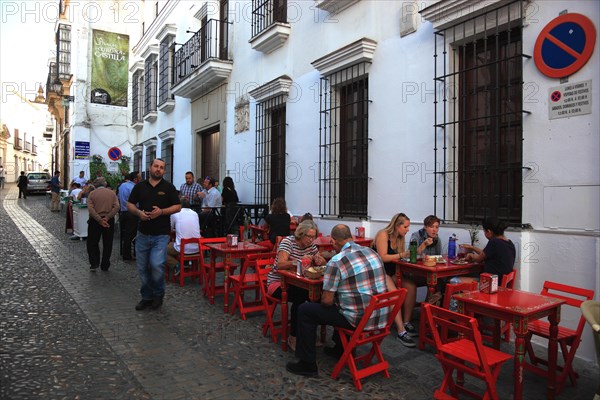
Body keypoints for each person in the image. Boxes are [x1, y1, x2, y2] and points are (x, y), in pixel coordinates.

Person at [286, 224, 388, 377]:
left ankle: (307, 363)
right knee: (344, 301)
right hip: (379, 316)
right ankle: (340, 349)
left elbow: (327, 301)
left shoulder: (337, 261)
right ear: (350, 237)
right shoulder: (372, 252)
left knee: (306, 310)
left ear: (333, 242)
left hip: (358, 319)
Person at [127, 158, 181, 311]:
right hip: (143, 233)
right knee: (143, 268)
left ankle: (158, 294)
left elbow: (177, 206)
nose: (159, 169)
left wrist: (162, 212)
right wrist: (138, 213)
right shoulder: (140, 187)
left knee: (156, 265)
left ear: (164, 170)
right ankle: (147, 297)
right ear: (150, 168)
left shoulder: (169, 187)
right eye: (156, 166)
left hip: (161, 235)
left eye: (162, 167)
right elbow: (129, 204)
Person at [266, 220, 327, 351]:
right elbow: (280, 264)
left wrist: (321, 261)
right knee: (301, 299)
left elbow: (319, 261)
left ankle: (308, 333)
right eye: (309, 236)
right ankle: (293, 336)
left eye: (313, 237)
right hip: (277, 283)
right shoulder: (288, 242)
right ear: (300, 234)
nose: (311, 240)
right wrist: (298, 261)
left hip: (299, 282)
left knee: (315, 297)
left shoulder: (310, 246)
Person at [373, 213, 417, 347]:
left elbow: (398, 258)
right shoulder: (383, 234)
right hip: (378, 272)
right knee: (394, 292)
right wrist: (403, 254)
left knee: (411, 286)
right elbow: (383, 257)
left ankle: (406, 321)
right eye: (405, 227)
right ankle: (401, 331)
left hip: (392, 272)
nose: (407, 229)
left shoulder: (399, 238)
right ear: (397, 226)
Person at [454, 217, 516, 284]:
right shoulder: (509, 243)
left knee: (453, 280)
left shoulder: (494, 242)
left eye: (484, 231)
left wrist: (471, 255)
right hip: (500, 282)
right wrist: (471, 247)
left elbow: (478, 259)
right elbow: (485, 253)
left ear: (489, 232)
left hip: (490, 284)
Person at [86, 180, 120, 271]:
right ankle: (105, 264)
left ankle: (94, 263)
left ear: (96, 185)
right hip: (109, 220)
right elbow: (117, 206)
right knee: (108, 243)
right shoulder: (112, 194)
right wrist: (108, 217)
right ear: (105, 184)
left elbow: (90, 208)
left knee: (92, 242)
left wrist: (99, 219)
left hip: (95, 220)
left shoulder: (92, 194)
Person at [166, 198, 201, 276]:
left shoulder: (175, 214)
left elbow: (170, 229)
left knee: (162, 250)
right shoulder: (195, 213)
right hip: (197, 247)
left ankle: (177, 265)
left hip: (182, 247)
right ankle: (185, 263)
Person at [118, 171, 141, 261]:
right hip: (132, 213)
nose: (140, 179)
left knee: (125, 234)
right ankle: (128, 255)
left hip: (123, 212)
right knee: (132, 234)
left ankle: (124, 252)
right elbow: (137, 202)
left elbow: (118, 197)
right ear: (135, 179)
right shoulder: (134, 188)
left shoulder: (122, 185)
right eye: (139, 177)